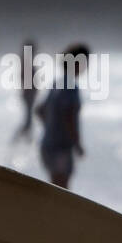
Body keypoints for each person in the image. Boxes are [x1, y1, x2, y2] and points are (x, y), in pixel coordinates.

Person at [36, 42, 88, 189]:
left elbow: (40, 110)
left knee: (55, 189)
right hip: (61, 148)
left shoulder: (57, 83)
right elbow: (68, 116)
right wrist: (77, 143)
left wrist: (51, 127)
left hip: (47, 145)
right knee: (62, 190)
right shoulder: (70, 86)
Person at [12, 37, 41, 140]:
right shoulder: (26, 63)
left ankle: (25, 138)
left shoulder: (25, 62)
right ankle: (20, 139)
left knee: (29, 118)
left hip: (28, 94)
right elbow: (27, 81)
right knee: (28, 119)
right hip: (28, 95)